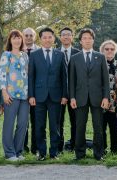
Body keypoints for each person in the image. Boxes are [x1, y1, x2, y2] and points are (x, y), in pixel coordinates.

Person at [69, 28, 110, 161]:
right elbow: (72, 80)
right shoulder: (74, 58)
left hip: (97, 98)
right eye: (84, 38)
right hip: (80, 98)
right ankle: (79, 153)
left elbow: (105, 80)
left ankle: (99, 153)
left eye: (89, 38)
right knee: (80, 126)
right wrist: (72, 97)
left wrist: (105, 97)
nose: (87, 40)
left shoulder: (101, 57)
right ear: (80, 41)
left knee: (98, 126)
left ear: (93, 40)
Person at [28, 27, 67, 160]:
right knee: (39, 126)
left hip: (56, 96)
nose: (47, 39)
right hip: (38, 96)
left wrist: (64, 95)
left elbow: (64, 77)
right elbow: (31, 77)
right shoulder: (34, 55)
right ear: (40, 39)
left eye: (50, 37)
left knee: (54, 126)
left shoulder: (60, 55)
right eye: (44, 37)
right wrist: (31, 95)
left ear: (53, 38)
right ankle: (42, 152)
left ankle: (54, 152)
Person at [0, 30, 30, 161]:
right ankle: (9, 153)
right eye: (14, 38)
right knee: (9, 124)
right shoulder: (6, 55)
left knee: (23, 124)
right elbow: (2, 75)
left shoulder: (25, 55)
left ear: (21, 40)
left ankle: (18, 151)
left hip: (25, 95)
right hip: (10, 94)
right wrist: (4, 93)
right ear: (10, 40)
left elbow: (27, 74)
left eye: (19, 38)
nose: (16, 40)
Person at [99, 40, 117, 155]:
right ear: (102, 51)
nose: (109, 51)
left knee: (115, 128)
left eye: (112, 49)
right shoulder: (98, 64)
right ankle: (102, 149)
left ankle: (114, 151)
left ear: (115, 51)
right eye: (107, 49)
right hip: (101, 102)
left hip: (116, 103)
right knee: (101, 128)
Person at [58, 27, 80, 152]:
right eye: (63, 35)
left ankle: (74, 145)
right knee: (58, 122)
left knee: (75, 121)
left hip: (75, 93)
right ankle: (60, 147)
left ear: (72, 37)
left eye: (68, 35)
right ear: (60, 37)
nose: (66, 37)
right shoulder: (55, 53)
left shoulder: (78, 53)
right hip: (59, 93)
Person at [22, 27, 39, 154]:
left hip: (37, 92)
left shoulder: (39, 51)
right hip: (21, 91)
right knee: (23, 121)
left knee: (36, 120)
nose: (28, 37)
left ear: (35, 37)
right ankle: (23, 147)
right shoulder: (16, 50)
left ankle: (35, 148)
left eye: (30, 35)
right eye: (26, 35)